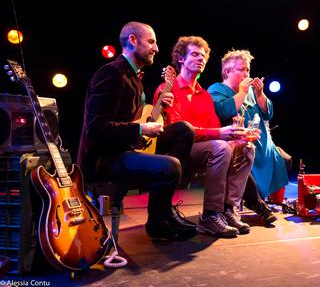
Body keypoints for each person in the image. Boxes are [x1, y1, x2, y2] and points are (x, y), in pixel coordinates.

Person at [77, 21, 198, 241]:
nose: (156, 48)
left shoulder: (135, 78)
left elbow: (130, 119)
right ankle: (159, 222)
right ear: (133, 41)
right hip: (105, 158)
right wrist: (142, 128)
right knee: (171, 165)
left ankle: (163, 211)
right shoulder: (111, 74)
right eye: (151, 42)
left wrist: (155, 112)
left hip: (126, 148)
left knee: (183, 130)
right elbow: (97, 129)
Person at [153, 36, 257, 238]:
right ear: (180, 59)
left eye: (203, 55)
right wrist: (219, 134)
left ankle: (228, 210)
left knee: (246, 148)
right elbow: (179, 131)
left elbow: (215, 129)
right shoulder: (168, 89)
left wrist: (238, 137)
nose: (200, 58)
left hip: (203, 150)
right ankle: (210, 215)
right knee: (221, 147)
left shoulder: (204, 95)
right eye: (194, 54)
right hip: (177, 153)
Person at [207, 49, 289, 222]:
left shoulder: (251, 92)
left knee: (283, 158)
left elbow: (268, 114)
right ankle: (256, 204)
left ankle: (266, 201)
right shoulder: (216, 89)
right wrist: (242, 92)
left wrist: (259, 94)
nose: (246, 73)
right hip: (237, 142)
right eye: (241, 69)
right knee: (244, 153)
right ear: (227, 71)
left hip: (261, 142)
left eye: (247, 70)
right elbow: (223, 111)